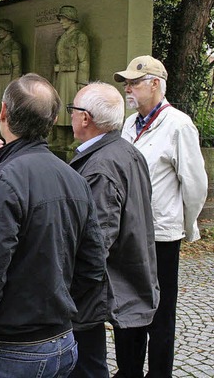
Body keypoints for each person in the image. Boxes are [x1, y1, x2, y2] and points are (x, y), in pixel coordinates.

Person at [0, 73, 106, 378]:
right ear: (54, 119)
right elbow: (93, 267)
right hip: (59, 342)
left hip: (7, 347)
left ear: (3, 112)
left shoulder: (5, 181)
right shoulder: (74, 178)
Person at [116, 55, 208, 377]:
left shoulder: (179, 125)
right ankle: (128, 371)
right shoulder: (128, 123)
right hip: (128, 234)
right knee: (129, 307)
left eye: (134, 83)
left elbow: (195, 185)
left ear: (155, 84)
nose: (128, 89)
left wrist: (183, 225)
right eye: (126, 83)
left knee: (160, 313)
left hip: (161, 237)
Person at [67, 82, 159, 378]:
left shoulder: (101, 167)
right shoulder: (127, 151)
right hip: (129, 280)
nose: (69, 116)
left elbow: (95, 244)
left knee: (90, 367)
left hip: (104, 290)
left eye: (72, 110)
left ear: (85, 118)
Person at [51, 5, 90, 150]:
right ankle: (61, 139)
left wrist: (82, 81)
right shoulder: (61, 38)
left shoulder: (80, 37)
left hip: (73, 76)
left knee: (73, 107)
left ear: (71, 20)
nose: (61, 22)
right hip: (62, 76)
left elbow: (84, 60)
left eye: (63, 19)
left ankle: (74, 138)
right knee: (61, 108)